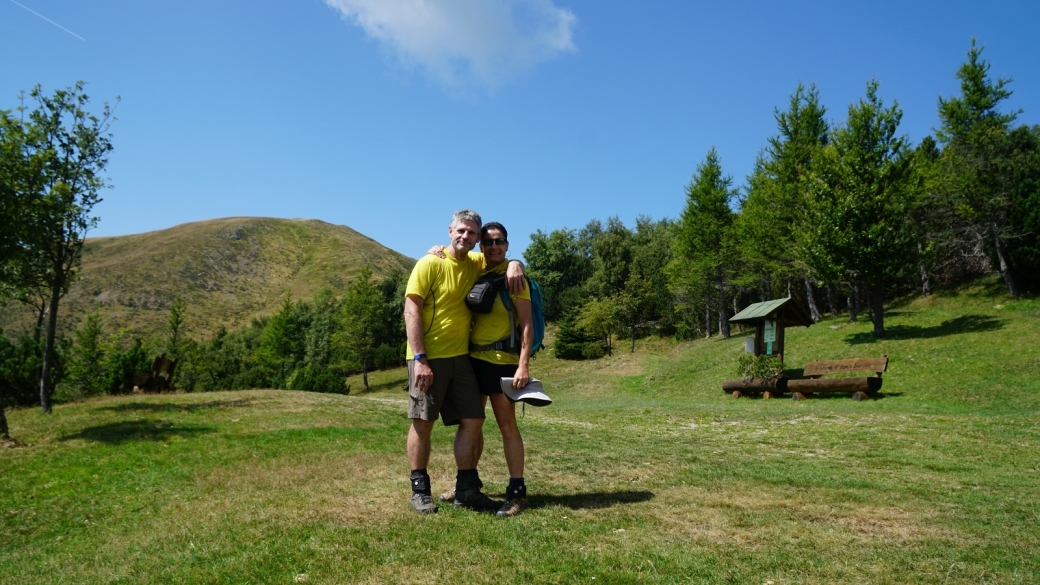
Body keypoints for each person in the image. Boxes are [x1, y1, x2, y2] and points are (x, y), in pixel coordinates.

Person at [403, 210, 524, 514]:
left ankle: (467, 490)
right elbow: (411, 310)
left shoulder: (475, 261)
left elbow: (501, 256)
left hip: (462, 358)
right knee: (423, 422)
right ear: (449, 231)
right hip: (428, 358)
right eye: (461, 231)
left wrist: (516, 264)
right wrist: (420, 359)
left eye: (472, 233)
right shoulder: (430, 262)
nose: (465, 237)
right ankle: (420, 490)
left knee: (473, 420)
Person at [467, 222, 534, 518]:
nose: (494, 246)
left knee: (507, 426)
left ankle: (517, 492)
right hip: (473, 361)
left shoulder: (515, 277)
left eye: (500, 242)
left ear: (508, 245)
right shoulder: (475, 271)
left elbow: (527, 324)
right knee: (472, 426)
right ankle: (467, 484)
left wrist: (523, 365)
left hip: (503, 361)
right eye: (489, 242)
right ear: (481, 245)